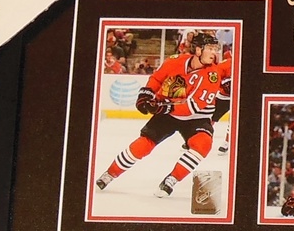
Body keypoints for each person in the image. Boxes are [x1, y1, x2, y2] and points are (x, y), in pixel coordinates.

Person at [95, 34, 231, 197]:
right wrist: (145, 94)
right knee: (143, 144)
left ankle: (171, 180)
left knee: (203, 144)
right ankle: (110, 174)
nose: (214, 53)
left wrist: (162, 108)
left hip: (197, 117)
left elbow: (192, 107)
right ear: (198, 50)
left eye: (215, 49)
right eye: (210, 48)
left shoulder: (212, 74)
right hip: (168, 112)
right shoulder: (175, 61)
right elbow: (157, 79)